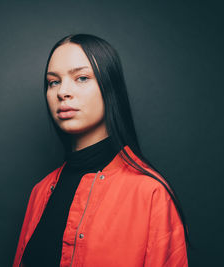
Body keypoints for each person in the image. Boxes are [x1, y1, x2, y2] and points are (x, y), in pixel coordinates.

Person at [12, 33, 189, 267]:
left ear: (110, 87)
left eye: (82, 78)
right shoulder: (40, 192)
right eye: (53, 81)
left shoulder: (150, 193)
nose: (62, 92)